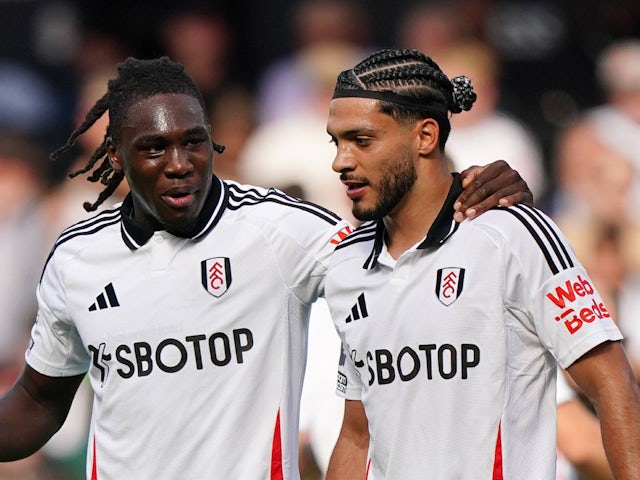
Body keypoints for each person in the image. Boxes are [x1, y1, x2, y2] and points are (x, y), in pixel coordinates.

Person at [0, 56, 531, 479]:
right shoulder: (76, 258)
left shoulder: (280, 232)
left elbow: (400, 253)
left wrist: (484, 193)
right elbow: (39, 400)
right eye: (154, 148)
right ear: (115, 156)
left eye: (194, 142)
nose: (181, 164)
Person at [323, 48, 640, 479]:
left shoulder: (512, 234)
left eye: (361, 140)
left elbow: (612, 384)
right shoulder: (346, 264)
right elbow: (356, 435)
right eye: (336, 142)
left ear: (425, 136)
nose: (341, 161)